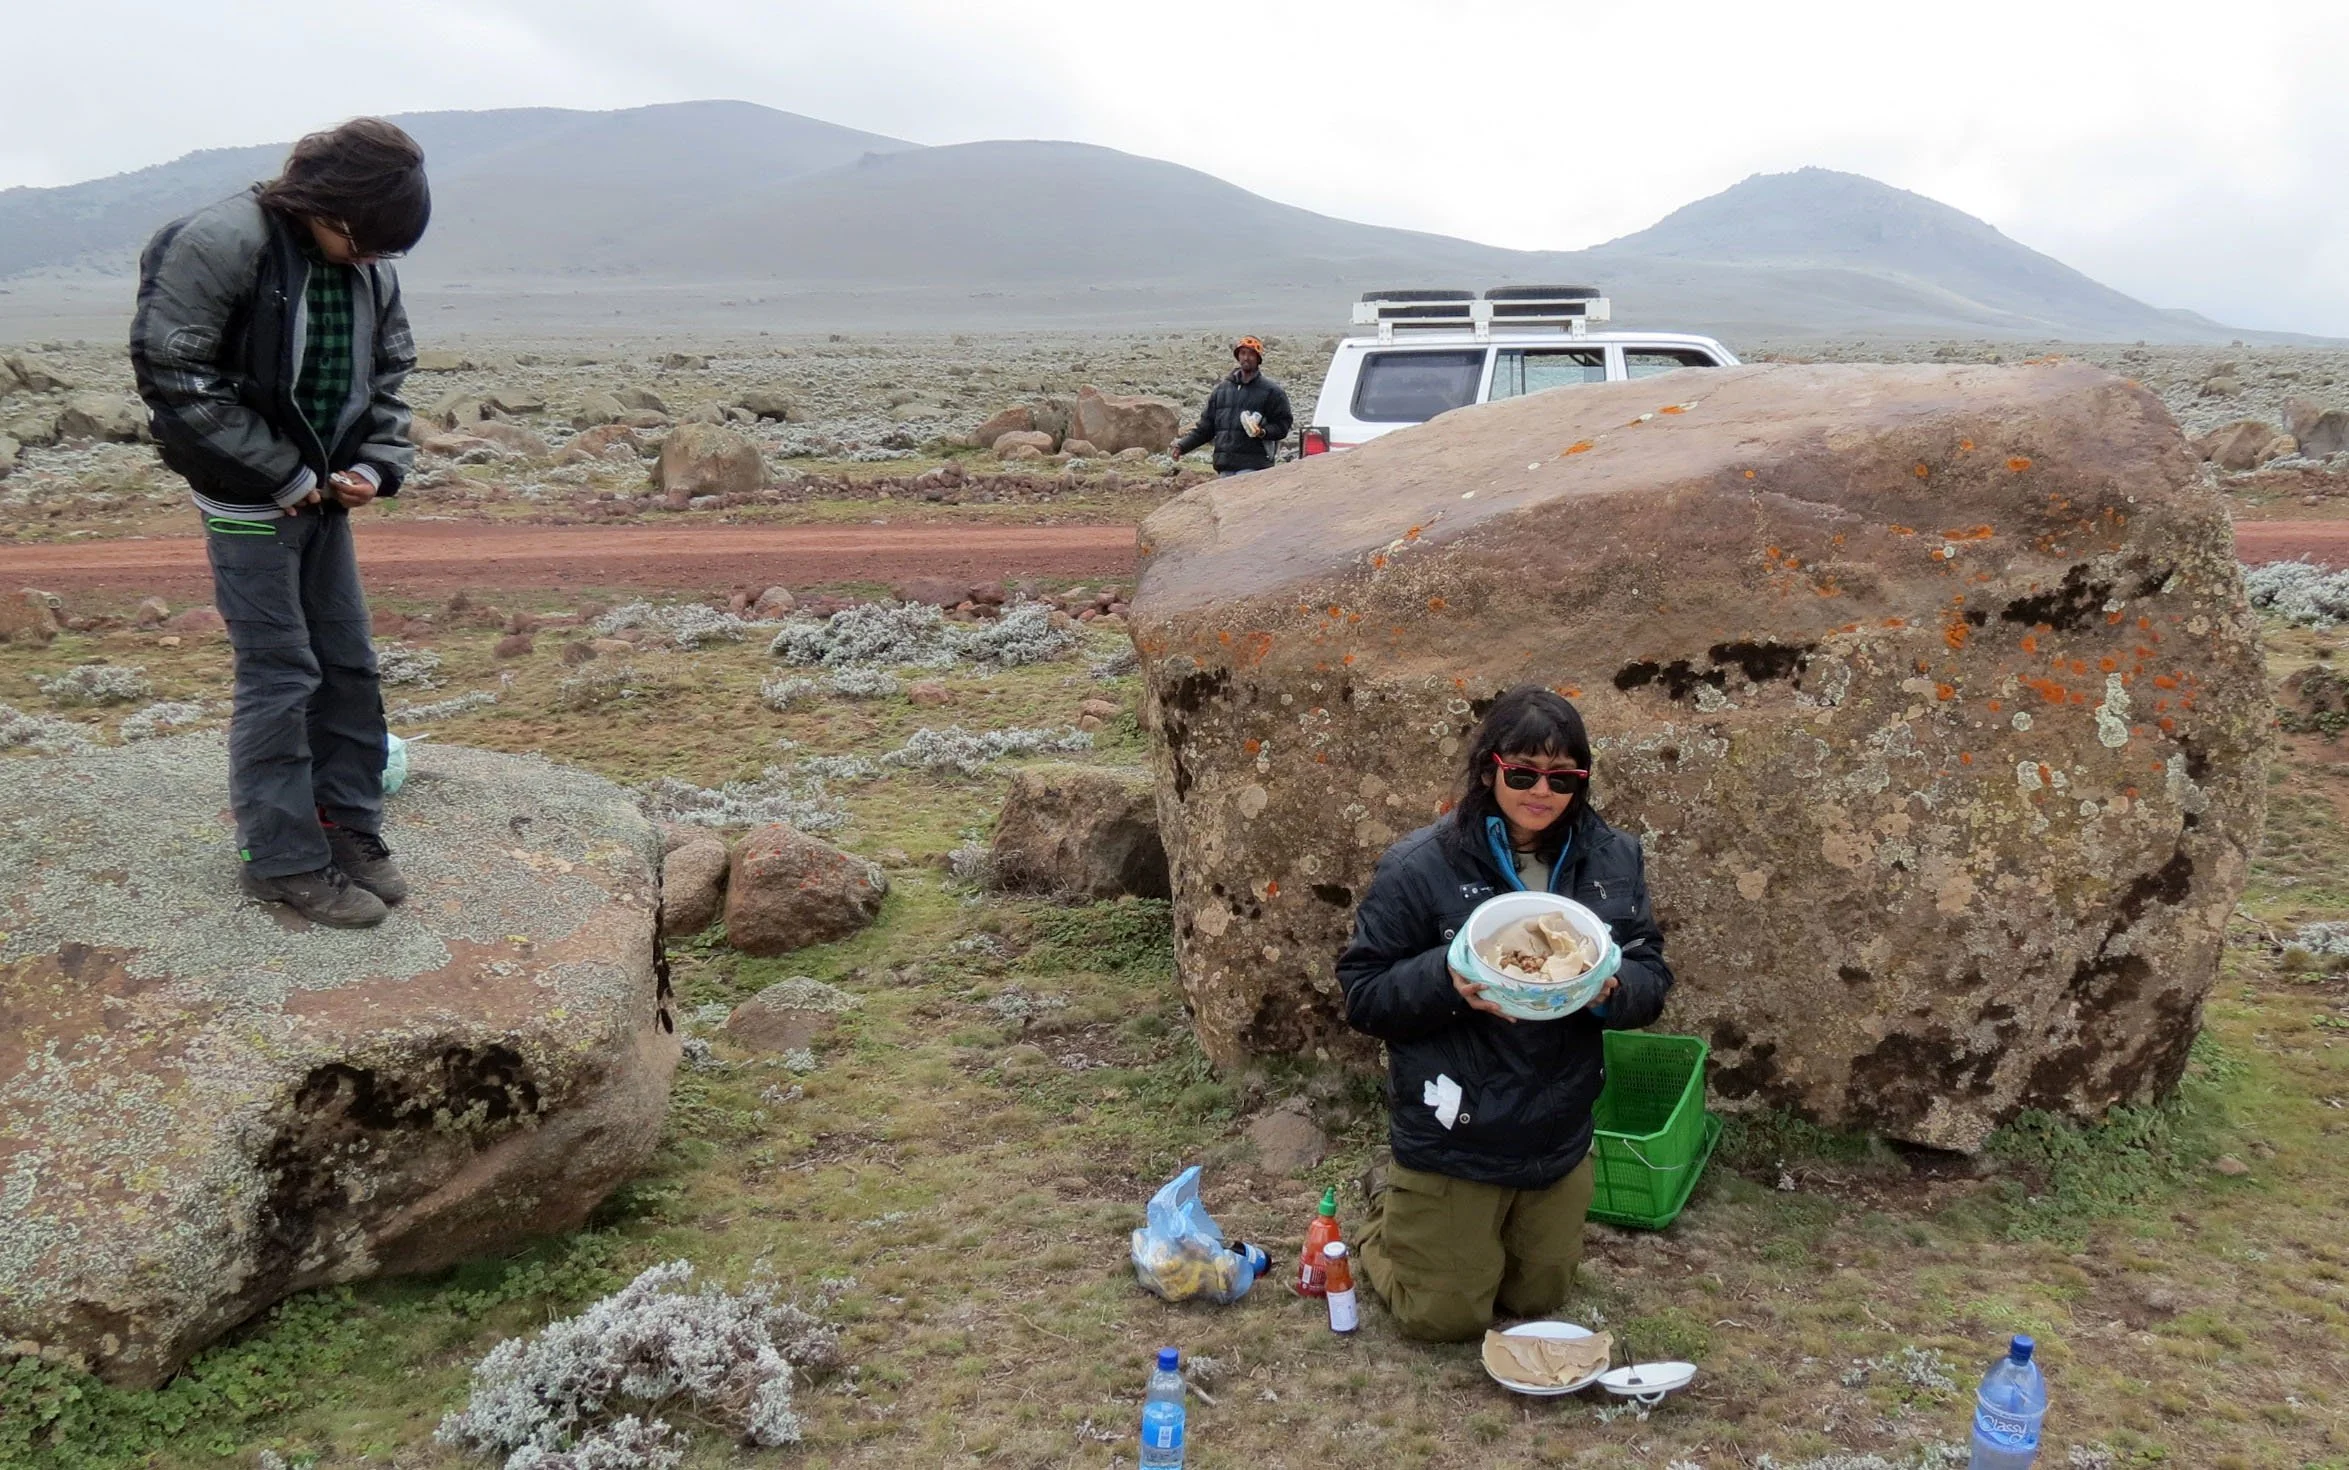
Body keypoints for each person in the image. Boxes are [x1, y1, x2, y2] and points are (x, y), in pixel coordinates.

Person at [130, 118, 429, 928]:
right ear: (323, 203)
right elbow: (177, 377)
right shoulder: (217, 242)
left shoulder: (369, 266)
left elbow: (389, 373)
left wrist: (373, 463)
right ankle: (282, 860)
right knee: (280, 675)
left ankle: (346, 826)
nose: (372, 258)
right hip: (250, 502)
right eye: (363, 240)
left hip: (326, 497)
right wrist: (282, 472)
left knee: (348, 665)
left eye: (384, 251)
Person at [1336, 686, 1673, 1340]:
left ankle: (1458, 1230)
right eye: (1520, 772)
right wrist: (1445, 979)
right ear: (1489, 767)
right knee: (1443, 1316)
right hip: (1458, 1126)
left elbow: (1649, 969)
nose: (1539, 790)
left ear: (1581, 781)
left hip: (1556, 1124)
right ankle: (1388, 1214)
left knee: (1536, 1298)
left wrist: (1613, 987)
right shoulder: (1418, 865)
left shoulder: (1614, 858)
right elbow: (1363, 992)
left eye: (1562, 777)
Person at [1169, 335, 1293, 474]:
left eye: (1251, 354)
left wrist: (1262, 432)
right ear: (1238, 356)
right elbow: (1206, 428)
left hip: (1254, 465)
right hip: (1225, 464)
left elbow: (1283, 424)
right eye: (1243, 353)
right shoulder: (1222, 390)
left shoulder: (1271, 391)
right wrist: (1182, 446)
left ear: (1258, 359)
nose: (1246, 358)